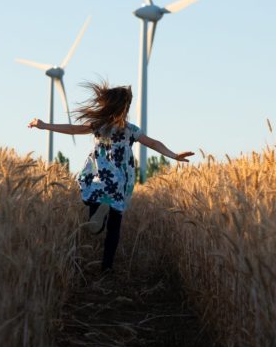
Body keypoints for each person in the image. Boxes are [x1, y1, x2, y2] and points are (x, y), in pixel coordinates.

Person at [28, 81, 193, 272]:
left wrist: (44, 125)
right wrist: (174, 155)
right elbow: (154, 143)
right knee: (115, 225)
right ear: (126, 108)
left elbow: (72, 129)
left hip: (100, 174)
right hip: (120, 179)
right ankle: (107, 267)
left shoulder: (99, 125)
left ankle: (97, 217)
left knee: (93, 201)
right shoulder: (131, 129)